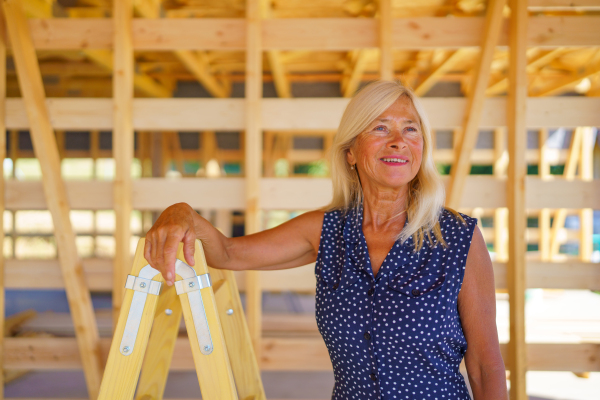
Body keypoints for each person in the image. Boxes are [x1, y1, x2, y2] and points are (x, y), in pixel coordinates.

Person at [144, 80, 508, 399]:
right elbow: (227, 253)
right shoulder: (326, 230)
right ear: (350, 152)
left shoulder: (458, 236)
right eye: (380, 128)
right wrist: (181, 212)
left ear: (422, 148)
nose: (398, 141)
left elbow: (484, 364)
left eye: (410, 129)